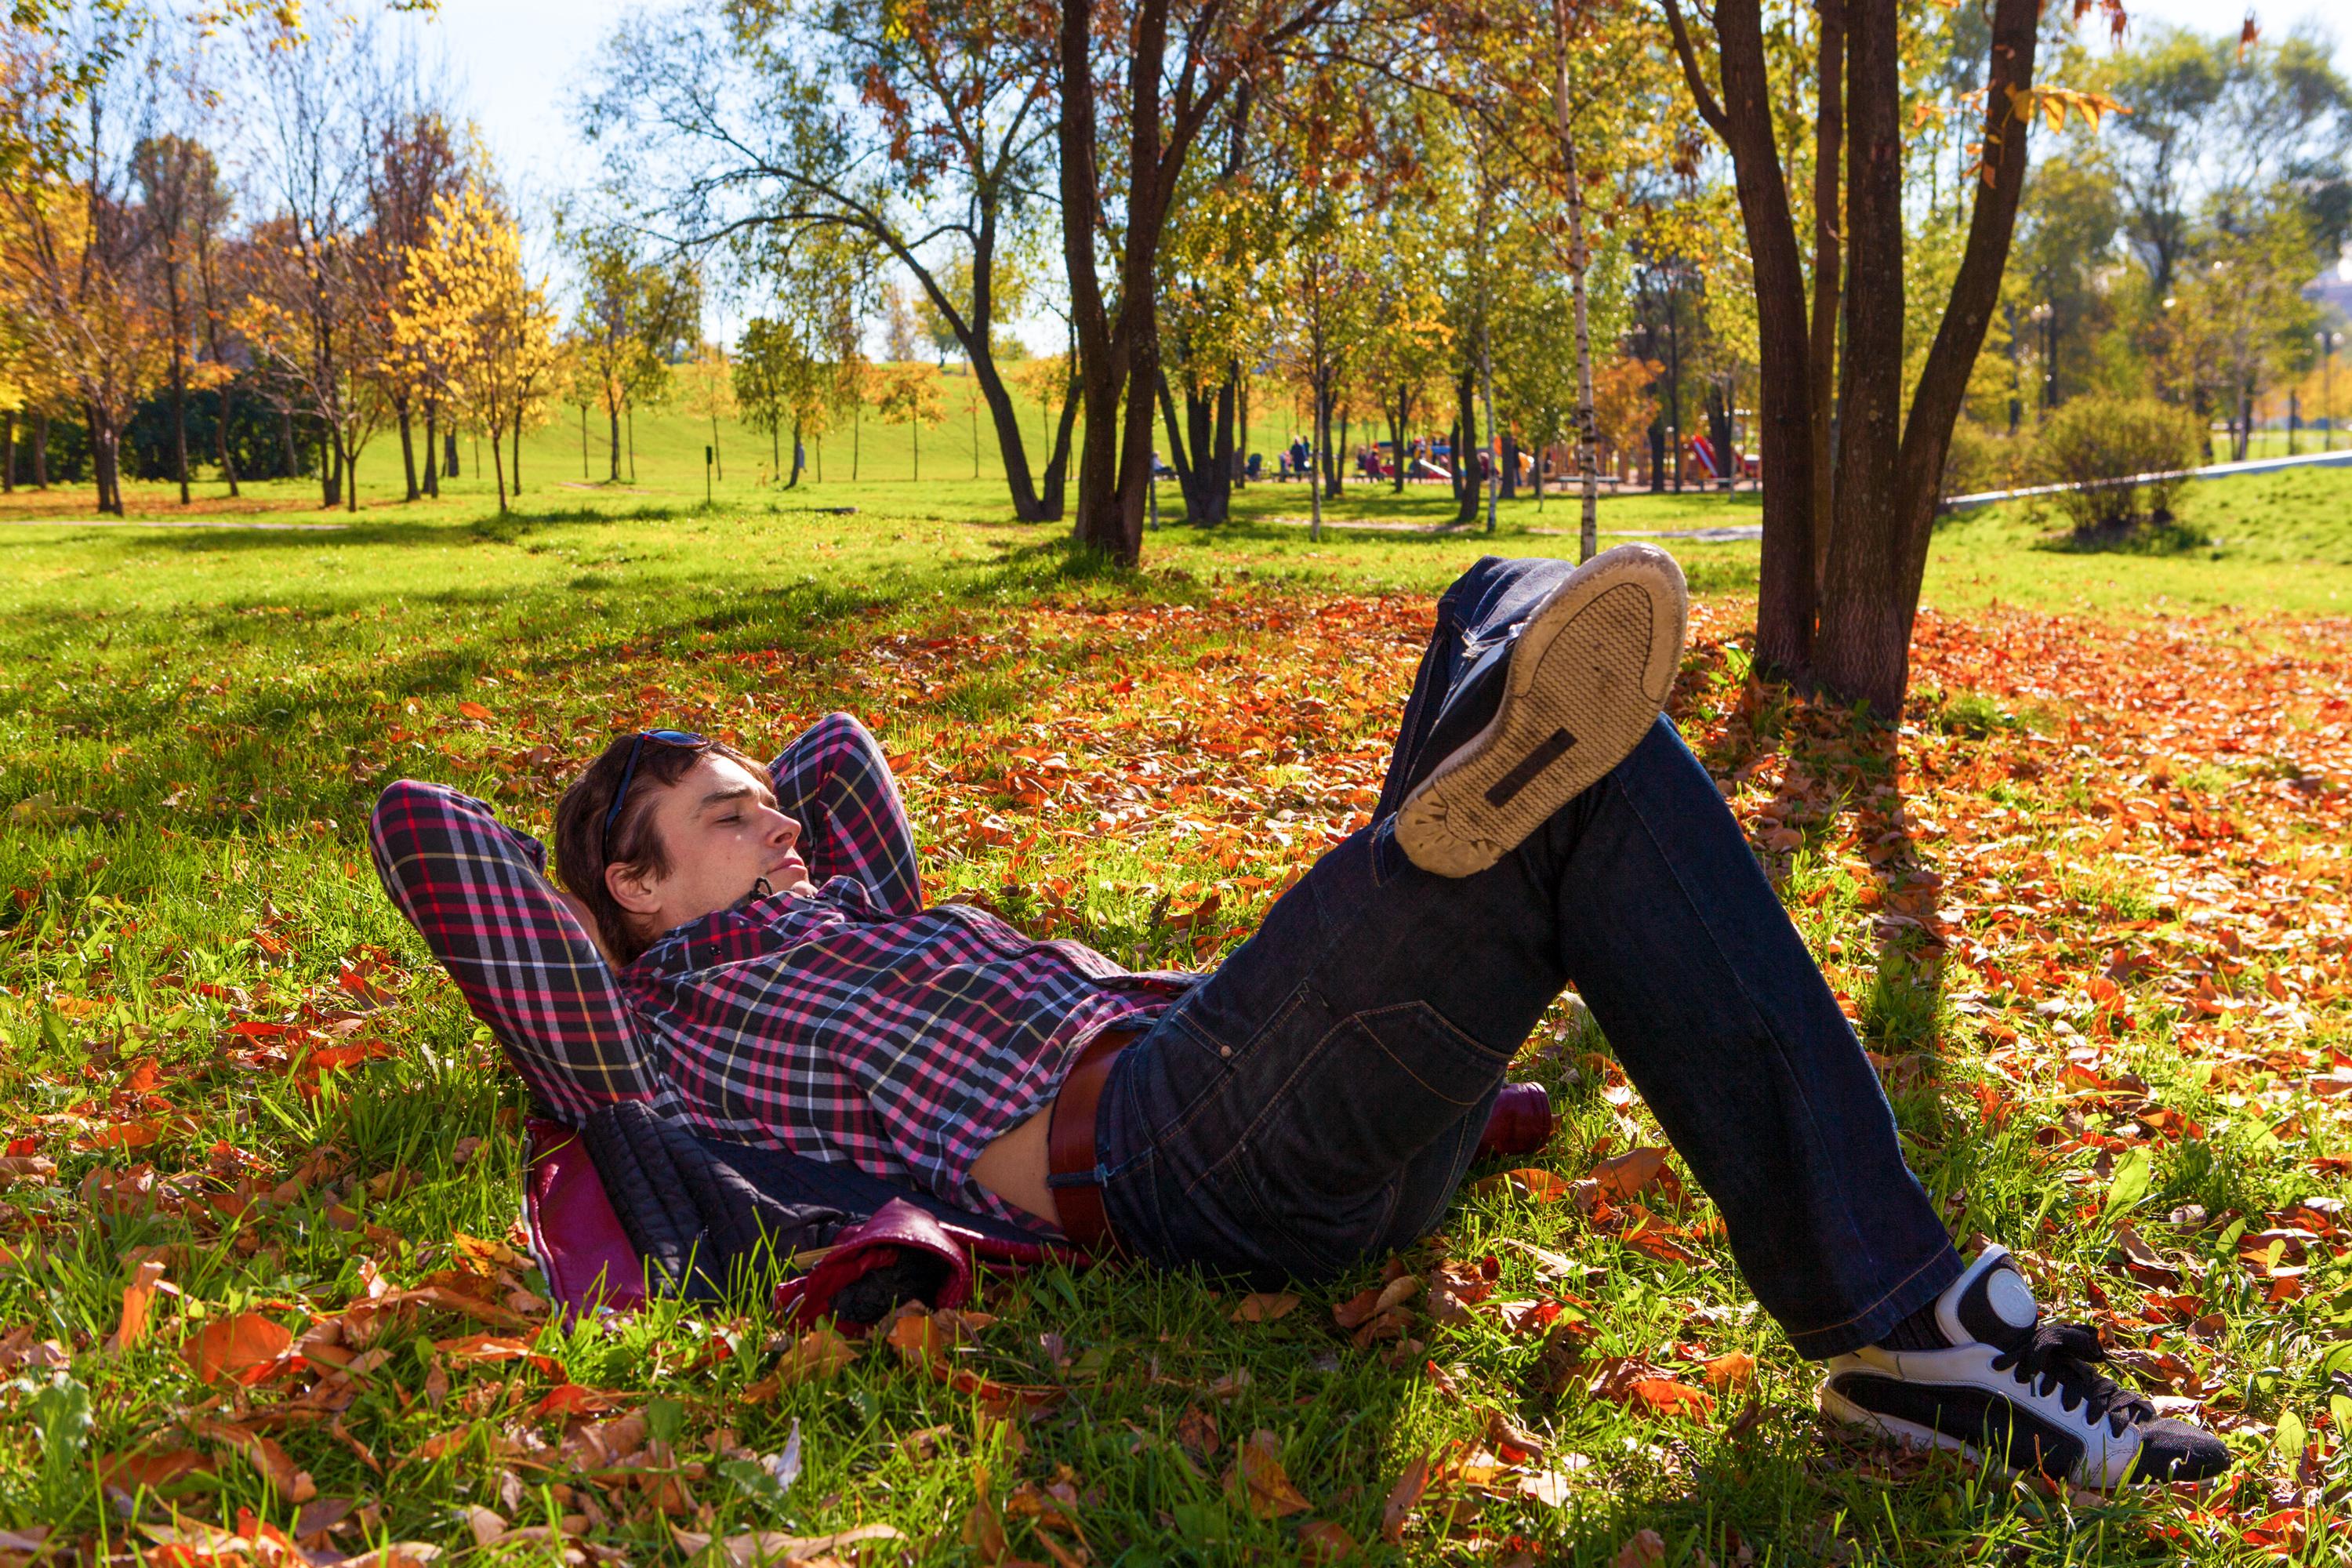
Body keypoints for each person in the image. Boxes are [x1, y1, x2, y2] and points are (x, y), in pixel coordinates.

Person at [371, 548, 2229, 1490]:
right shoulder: (658, 1036)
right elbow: (434, 846)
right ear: (623, 887)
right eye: (719, 817)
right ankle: (1909, 1330)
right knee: (1570, 771)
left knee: (1501, 600)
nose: (777, 819)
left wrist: (779, 823)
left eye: (766, 807)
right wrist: (614, 892)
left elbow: (837, 766)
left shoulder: (861, 906)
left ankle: (1491, 796)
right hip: (1172, 1160)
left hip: (1253, 1078)